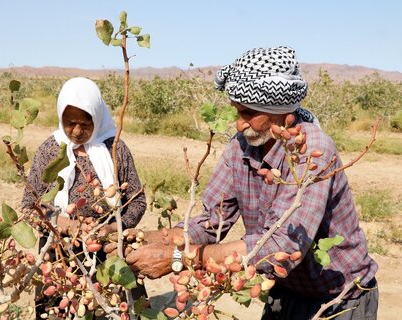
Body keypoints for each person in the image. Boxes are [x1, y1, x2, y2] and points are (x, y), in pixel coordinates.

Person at [122, 46, 378, 319]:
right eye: (237, 112)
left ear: (281, 112)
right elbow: (212, 219)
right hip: (286, 292)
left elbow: (283, 245)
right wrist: (147, 239)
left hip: (340, 301)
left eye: (248, 114)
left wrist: (181, 259)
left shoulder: (311, 151)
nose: (239, 125)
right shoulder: (239, 147)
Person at [21, 77, 147, 318]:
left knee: (111, 310)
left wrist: (111, 229)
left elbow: (137, 200)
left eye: (84, 124)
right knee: (56, 309)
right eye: (69, 123)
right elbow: (29, 205)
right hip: (57, 253)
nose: (76, 132)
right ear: (60, 117)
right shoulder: (50, 149)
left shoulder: (115, 149)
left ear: (97, 118)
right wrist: (62, 224)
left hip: (108, 251)